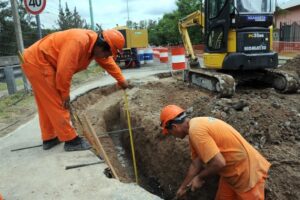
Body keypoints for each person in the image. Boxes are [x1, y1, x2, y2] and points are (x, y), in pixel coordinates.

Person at [21, 28, 128, 151]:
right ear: (102, 46)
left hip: (37, 61)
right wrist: (64, 93)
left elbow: (108, 63)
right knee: (57, 102)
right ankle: (71, 140)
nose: (106, 57)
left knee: (47, 103)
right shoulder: (78, 42)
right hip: (38, 61)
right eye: (107, 54)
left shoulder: (94, 46)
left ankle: (49, 138)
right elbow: (64, 70)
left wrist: (121, 81)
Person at [160, 105, 271, 200]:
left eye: (170, 132)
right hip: (232, 173)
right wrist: (183, 188)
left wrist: (199, 178)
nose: (172, 135)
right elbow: (196, 164)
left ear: (174, 127)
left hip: (247, 175)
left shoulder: (196, 132)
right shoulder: (196, 126)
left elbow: (219, 163)